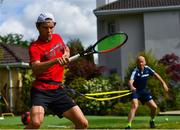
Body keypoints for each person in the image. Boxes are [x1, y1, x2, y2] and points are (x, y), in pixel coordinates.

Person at [25, 12, 88, 129]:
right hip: (41, 91)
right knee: (35, 123)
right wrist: (55, 61)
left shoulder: (58, 37)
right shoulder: (34, 47)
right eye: (45, 28)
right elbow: (36, 68)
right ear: (38, 27)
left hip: (58, 91)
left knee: (83, 123)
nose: (49, 31)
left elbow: (66, 50)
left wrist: (66, 55)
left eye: (51, 27)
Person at [125, 56, 169, 129]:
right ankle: (128, 125)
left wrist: (163, 83)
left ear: (145, 62)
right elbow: (130, 81)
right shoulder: (135, 71)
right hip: (136, 91)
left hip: (144, 91)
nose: (141, 63)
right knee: (135, 106)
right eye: (139, 62)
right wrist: (132, 87)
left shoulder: (147, 69)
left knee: (154, 107)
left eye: (142, 61)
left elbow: (156, 75)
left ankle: (152, 121)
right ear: (137, 63)